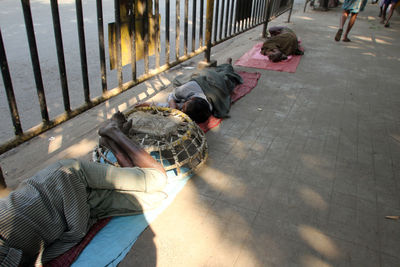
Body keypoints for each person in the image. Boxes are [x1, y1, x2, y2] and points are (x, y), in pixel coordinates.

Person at [0, 113, 167, 266]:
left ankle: (114, 132)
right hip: (78, 215)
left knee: (158, 179)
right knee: (156, 198)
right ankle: (111, 142)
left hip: (64, 181)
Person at [138, 59, 243, 123]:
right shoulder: (189, 88)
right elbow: (172, 96)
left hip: (215, 85)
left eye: (183, 108)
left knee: (227, 78)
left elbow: (165, 106)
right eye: (183, 107)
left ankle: (227, 65)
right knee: (226, 76)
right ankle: (227, 64)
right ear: (192, 98)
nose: (181, 109)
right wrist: (172, 106)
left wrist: (149, 104)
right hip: (205, 80)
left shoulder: (205, 109)